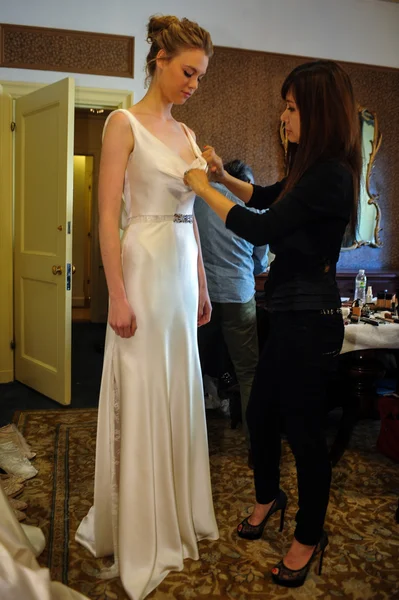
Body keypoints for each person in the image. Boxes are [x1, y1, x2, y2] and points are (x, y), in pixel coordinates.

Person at [184, 60, 361, 588]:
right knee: (261, 416)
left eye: (290, 107)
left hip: (311, 320)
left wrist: (201, 187)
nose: (283, 117)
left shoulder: (332, 172)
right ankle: (269, 497)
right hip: (285, 314)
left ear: (317, 111)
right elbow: (264, 198)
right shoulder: (308, 169)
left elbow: (261, 229)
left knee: (304, 435)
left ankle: (309, 534)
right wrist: (221, 177)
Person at [75, 15, 218, 600]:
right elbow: (108, 216)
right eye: (188, 71)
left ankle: (179, 510)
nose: (193, 84)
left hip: (182, 270)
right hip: (142, 264)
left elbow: (194, 216)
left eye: (201, 77)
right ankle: (139, 524)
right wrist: (116, 291)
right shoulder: (122, 123)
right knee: (142, 387)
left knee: (180, 386)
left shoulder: (186, 134)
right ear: (159, 58)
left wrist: (205, 285)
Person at [195, 159, 268, 457]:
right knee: (248, 372)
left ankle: (190, 447)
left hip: (203, 298)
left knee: (193, 369)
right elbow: (262, 261)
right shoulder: (253, 208)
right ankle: (255, 448)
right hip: (239, 295)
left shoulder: (201, 202)